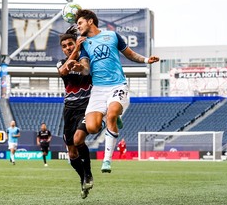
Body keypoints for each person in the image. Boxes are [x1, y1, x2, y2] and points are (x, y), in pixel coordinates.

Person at [67, 9, 160, 173]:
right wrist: (79, 66)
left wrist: (146, 60)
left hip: (117, 85)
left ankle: (107, 160)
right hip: (98, 90)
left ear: (90, 21)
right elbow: (87, 69)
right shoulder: (84, 44)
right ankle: (111, 118)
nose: (78, 26)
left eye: (80, 22)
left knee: (112, 114)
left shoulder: (112, 36)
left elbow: (130, 54)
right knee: (92, 128)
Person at [56, 25, 97, 199]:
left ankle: (88, 174)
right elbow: (63, 71)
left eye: (70, 44)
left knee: (78, 139)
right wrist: (75, 51)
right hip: (69, 110)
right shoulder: (60, 63)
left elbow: (86, 70)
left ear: (75, 42)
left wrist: (81, 49)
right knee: (71, 152)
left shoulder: (87, 59)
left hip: (86, 107)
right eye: (64, 46)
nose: (67, 48)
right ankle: (83, 179)